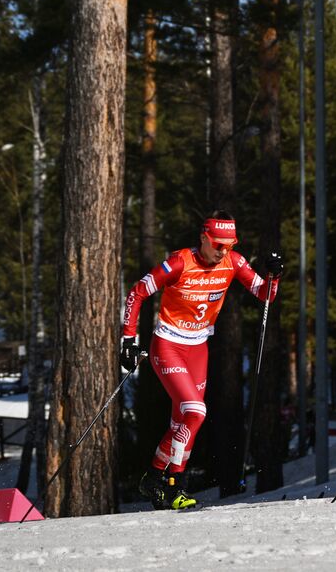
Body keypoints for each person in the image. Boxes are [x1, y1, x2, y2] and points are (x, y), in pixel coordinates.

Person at [121, 212, 284, 510]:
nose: (224, 251)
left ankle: (154, 476)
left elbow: (265, 294)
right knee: (195, 412)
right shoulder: (181, 262)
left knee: (181, 422)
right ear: (204, 239)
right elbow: (137, 291)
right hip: (168, 345)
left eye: (229, 244)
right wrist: (128, 339)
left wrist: (274, 274)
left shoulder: (233, 262)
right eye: (218, 245)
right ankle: (175, 486)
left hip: (198, 349)